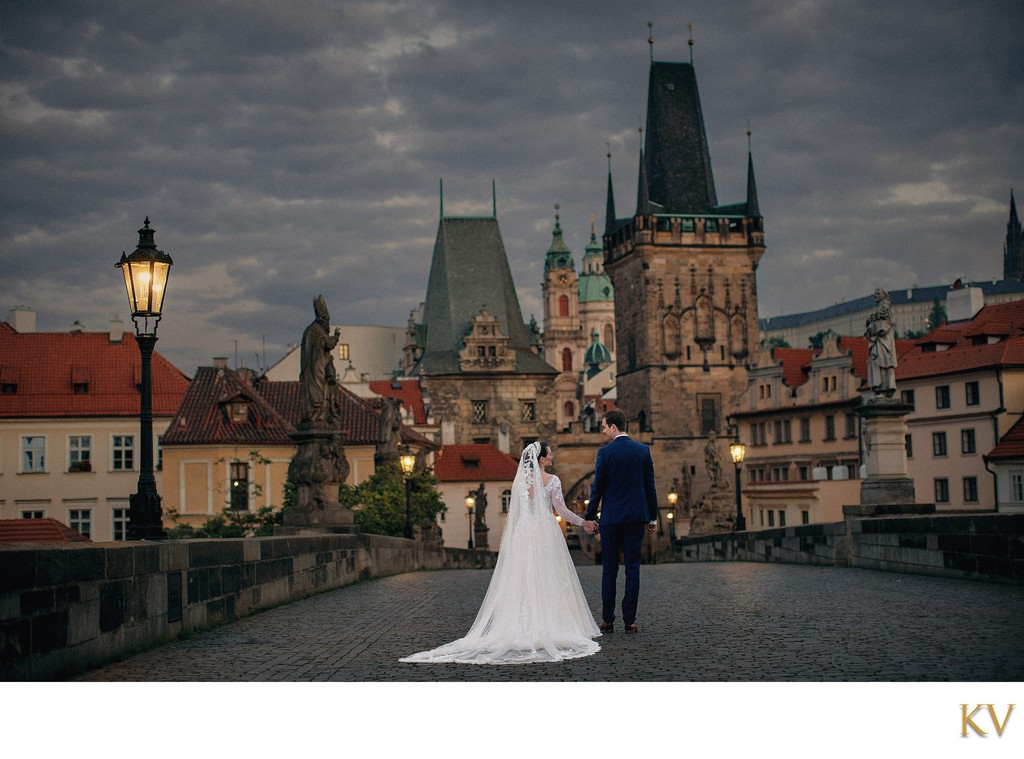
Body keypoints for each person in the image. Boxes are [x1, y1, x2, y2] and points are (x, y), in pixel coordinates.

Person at [400, 441, 600, 664]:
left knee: (521, 576)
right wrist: (584, 522)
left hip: (524, 530)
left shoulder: (521, 481)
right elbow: (561, 510)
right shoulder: (552, 480)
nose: (552, 458)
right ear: (542, 459)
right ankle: (551, 621)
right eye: (550, 455)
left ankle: (519, 623)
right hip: (544, 529)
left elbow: (519, 509)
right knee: (548, 574)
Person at [585, 409, 658, 634]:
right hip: (636, 517)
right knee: (632, 569)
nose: (604, 430)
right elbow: (650, 486)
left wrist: (590, 516)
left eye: (605, 426)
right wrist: (652, 516)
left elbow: (597, 487)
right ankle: (630, 620)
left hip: (611, 519)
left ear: (614, 427)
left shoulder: (605, 453)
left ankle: (608, 619)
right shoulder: (643, 451)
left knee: (609, 569)